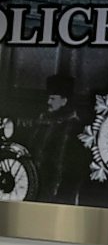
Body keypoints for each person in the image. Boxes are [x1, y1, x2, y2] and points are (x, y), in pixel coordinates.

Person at [29, 74, 83, 204]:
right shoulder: (43, 120)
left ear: (64, 101)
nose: (48, 102)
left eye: (53, 99)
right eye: (49, 98)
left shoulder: (74, 127)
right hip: (37, 184)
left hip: (60, 191)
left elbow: (72, 167)